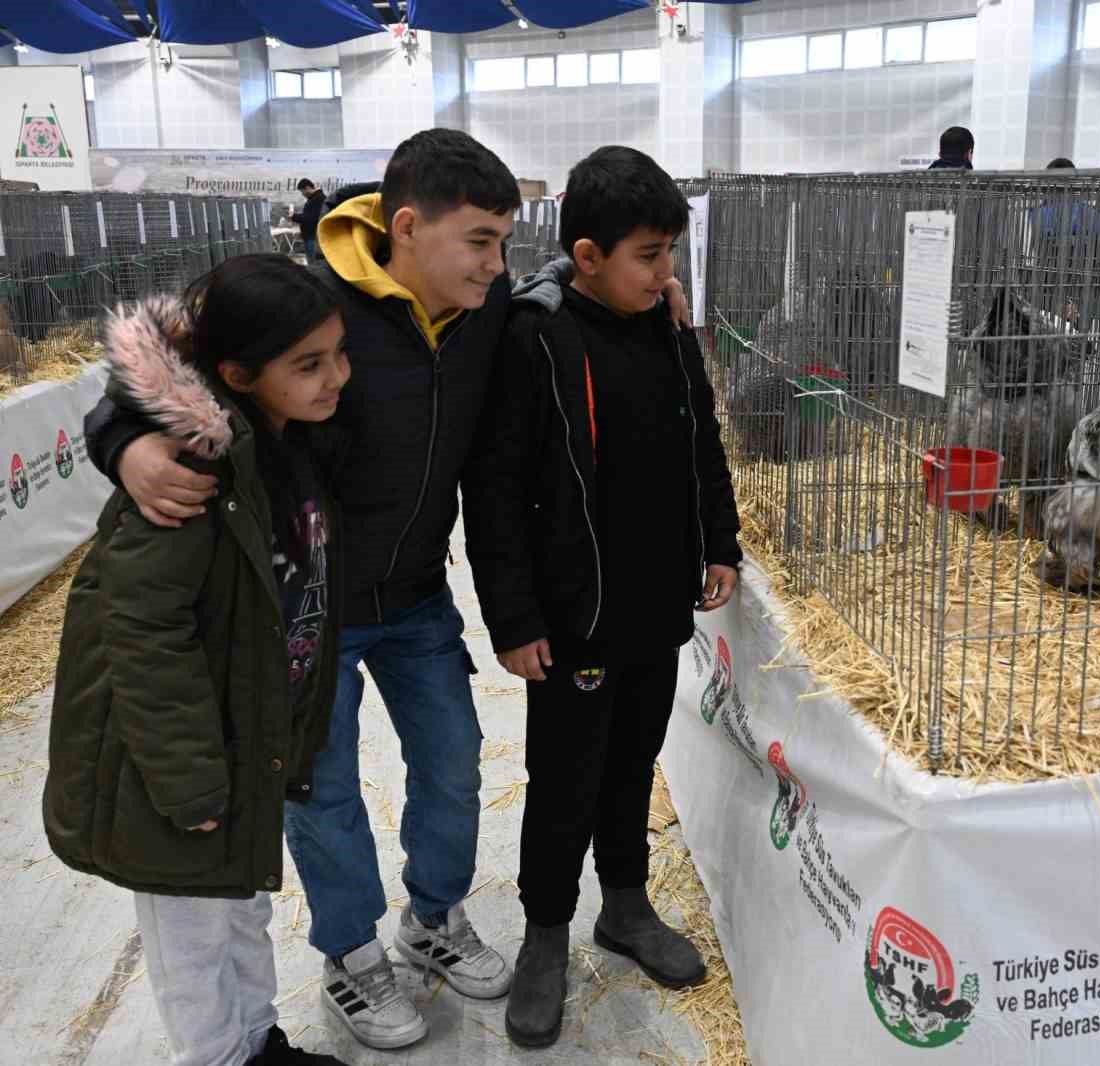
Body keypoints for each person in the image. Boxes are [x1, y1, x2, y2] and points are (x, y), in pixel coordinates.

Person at [80, 130, 695, 1052]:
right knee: (322, 793)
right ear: (407, 228)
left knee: (451, 766)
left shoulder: (489, 308)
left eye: (505, 241)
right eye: (481, 241)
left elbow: (561, 304)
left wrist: (653, 309)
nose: (499, 261)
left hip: (413, 596)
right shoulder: (306, 300)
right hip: (306, 609)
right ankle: (350, 952)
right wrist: (121, 441)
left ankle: (435, 918)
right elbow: (160, 371)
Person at [461, 145, 741, 1050]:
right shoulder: (536, 335)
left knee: (633, 766)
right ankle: (547, 934)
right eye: (649, 257)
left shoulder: (664, 325)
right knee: (564, 783)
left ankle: (625, 905)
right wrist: (514, 617)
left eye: (671, 255)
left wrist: (721, 542)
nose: (666, 276)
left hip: (655, 606)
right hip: (573, 618)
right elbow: (495, 489)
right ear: (587, 257)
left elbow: (703, 438)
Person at [44, 254, 352, 1066]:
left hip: (243, 736)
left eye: (339, 354)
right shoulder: (190, 472)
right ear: (237, 374)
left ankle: (258, 1042)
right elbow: (140, 627)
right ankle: (217, 1055)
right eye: (310, 365)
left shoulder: (283, 445)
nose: (336, 379)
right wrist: (186, 780)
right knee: (191, 940)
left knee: (241, 908)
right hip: (179, 762)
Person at [292, 179, 327, 263]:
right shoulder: (314, 198)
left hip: (313, 237)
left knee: (314, 264)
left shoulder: (318, 199)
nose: (302, 194)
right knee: (312, 262)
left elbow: (311, 219)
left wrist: (294, 216)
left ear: (307, 188)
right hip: (311, 237)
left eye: (302, 191)